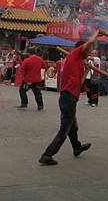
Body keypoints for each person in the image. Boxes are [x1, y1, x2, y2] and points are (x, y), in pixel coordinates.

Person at [39, 31, 98, 166]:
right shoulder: (74, 54)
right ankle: (47, 155)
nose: (89, 53)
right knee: (65, 129)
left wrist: (87, 70)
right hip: (68, 98)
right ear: (81, 49)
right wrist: (97, 33)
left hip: (71, 97)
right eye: (88, 50)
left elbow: (80, 83)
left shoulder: (78, 63)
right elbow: (88, 43)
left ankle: (77, 147)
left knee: (72, 126)